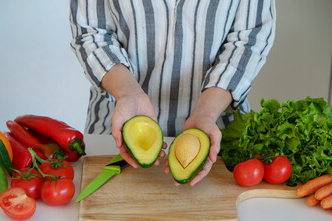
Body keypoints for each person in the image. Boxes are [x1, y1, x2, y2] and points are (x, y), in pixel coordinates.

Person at [69, 0, 276, 186]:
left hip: (219, 135)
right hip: (114, 134)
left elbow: (250, 40)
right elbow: (91, 33)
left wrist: (206, 112)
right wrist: (127, 93)